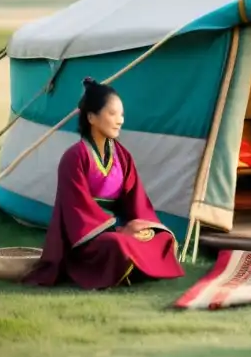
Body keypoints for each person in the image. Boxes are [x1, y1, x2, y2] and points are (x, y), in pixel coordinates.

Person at [23, 78, 185, 289]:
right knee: (115, 245)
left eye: (122, 114)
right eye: (112, 114)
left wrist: (138, 225)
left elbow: (136, 199)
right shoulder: (73, 158)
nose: (120, 121)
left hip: (120, 227)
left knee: (161, 237)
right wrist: (118, 230)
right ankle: (130, 263)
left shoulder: (123, 156)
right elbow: (77, 212)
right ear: (91, 117)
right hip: (89, 237)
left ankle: (132, 262)